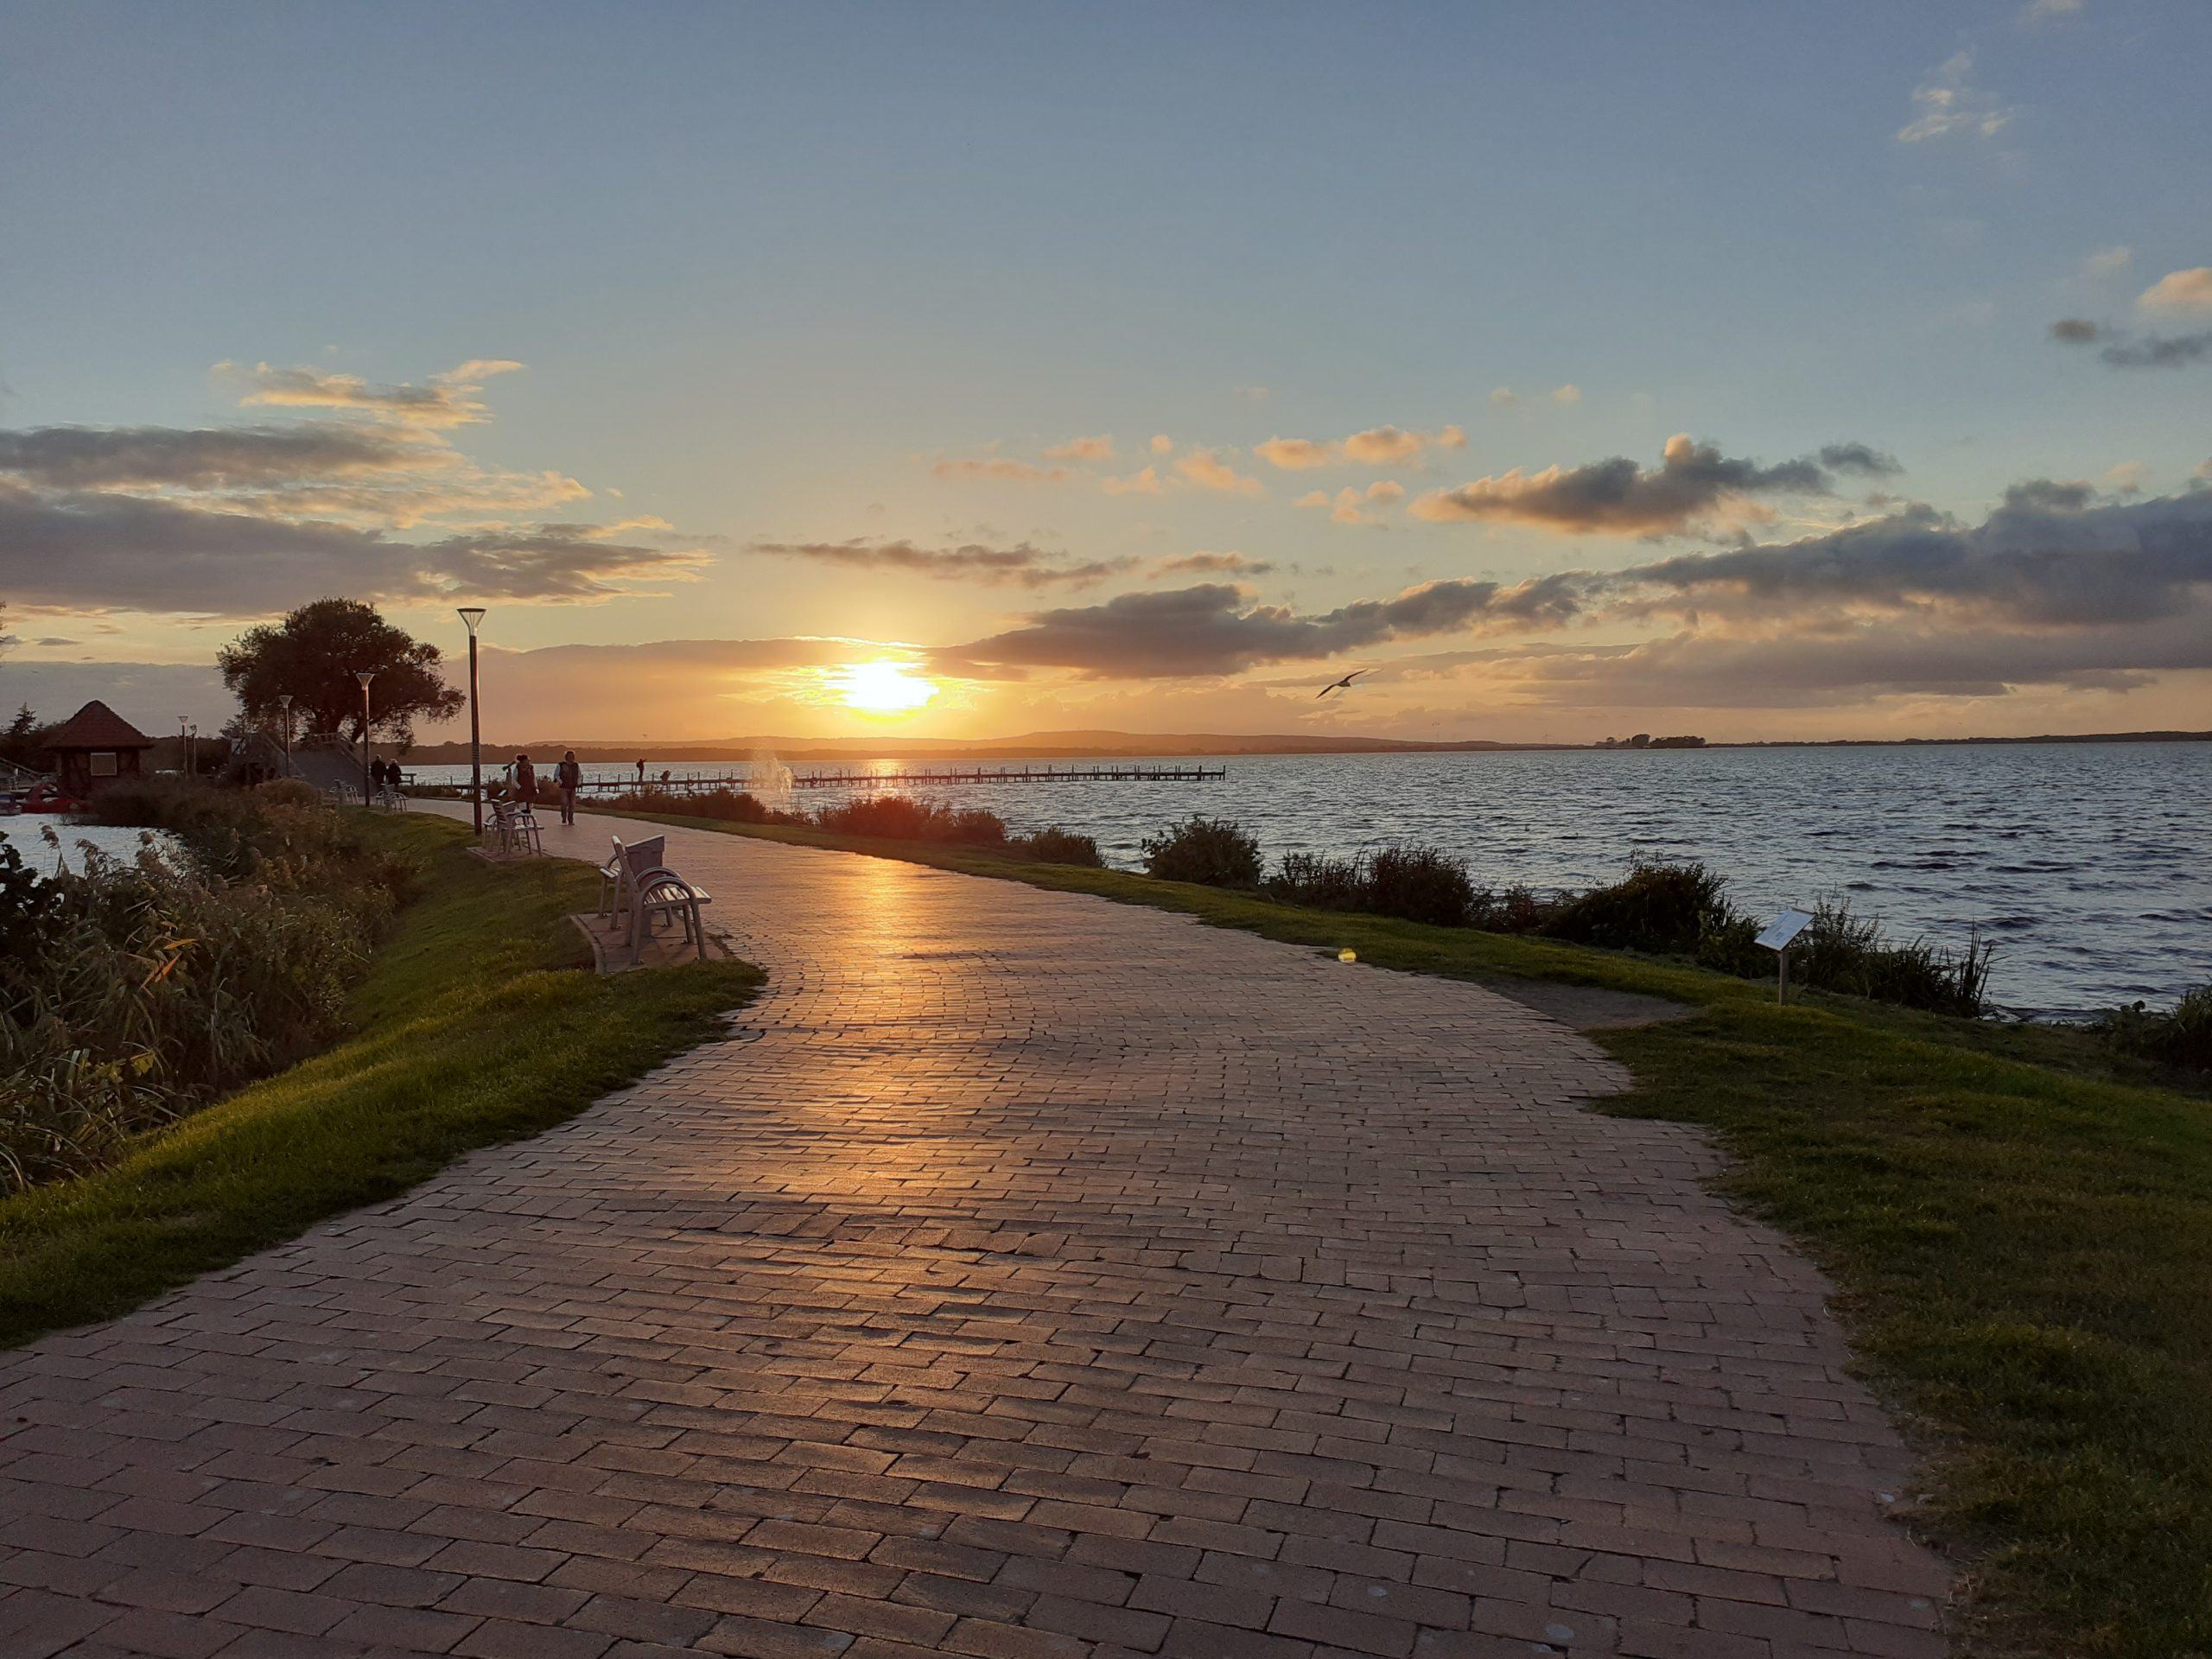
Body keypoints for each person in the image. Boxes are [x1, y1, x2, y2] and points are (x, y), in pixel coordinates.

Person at [556, 749, 582, 825]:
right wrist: (560, 782)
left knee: (572, 804)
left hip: (573, 787)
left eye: (573, 756)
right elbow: (556, 775)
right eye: (570, 756)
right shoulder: (561, 765)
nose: (571, 758)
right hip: (564, 787)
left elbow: (579, 775)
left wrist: (578, 782)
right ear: (566, 757)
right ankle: (564, 818)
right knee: (564, 803)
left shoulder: (576, 765)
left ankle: (571, 820)